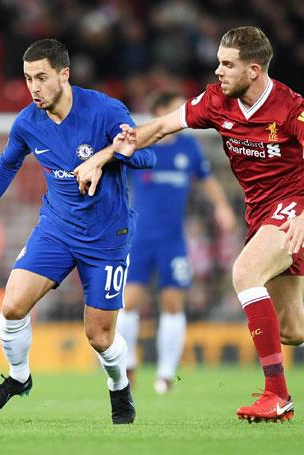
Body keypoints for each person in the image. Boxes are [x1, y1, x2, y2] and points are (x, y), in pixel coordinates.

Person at [75, 26, 304, 423]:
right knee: (292, 329)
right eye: (218, 62)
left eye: (227, 64)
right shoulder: (216, 102)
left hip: (295, 207)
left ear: (253, 70)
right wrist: (110, 153)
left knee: (245, 272)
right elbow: (160, 127)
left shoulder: (289, 106)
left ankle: (277, 395)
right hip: (260, 215)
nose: (218, 71)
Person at [0, 38, 155, 424]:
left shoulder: (105, 110)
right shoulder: (28, 121)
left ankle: (118, 388)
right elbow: (7, 164)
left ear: (64, 74)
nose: (34, 88)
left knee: (99, 337)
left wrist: (110, 154)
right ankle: (19, 378)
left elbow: (146, 154)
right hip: (57, 230)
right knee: (11, 306)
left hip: (107, 237)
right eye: (28, 79)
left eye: (41, 77)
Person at [116, 91, 236, 393]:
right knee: (128, 303)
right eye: (174, 109)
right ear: (159, 111)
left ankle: (166, 375)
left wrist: (222, 206)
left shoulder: (189, 148)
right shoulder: (141, 145)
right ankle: (128, 364)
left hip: (173, 240)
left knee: (173, 304)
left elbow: (207, 181)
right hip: (139, 238)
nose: (182, 115)